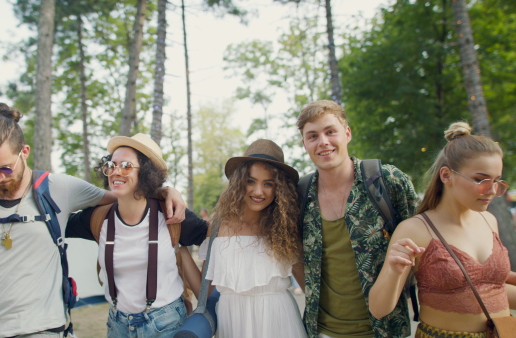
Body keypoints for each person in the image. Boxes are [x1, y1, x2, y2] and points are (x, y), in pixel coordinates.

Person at [0, 104, 185, 338]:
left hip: (45, 330)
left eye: (5, 168)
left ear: (24, 152)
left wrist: (165, 192)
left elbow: (124, 195)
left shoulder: (59, 188)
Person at [369, 122, 516, 337]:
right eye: (480, 179)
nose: (492, 190)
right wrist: (393, 270)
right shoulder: (415, 229)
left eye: (496, 181)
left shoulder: (489, 220)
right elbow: (378, 309)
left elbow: (489, 290)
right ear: (446, 175)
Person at [295, 100, 419, 337]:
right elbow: (295, 256)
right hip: (322, 331)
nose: (323, 142)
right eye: (313, 136)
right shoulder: (300, 193)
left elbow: (423, 249)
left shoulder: (387, 181)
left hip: (385, 329)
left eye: (330, 131)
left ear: (347, 133)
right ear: (304, 144)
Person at [66, 133, 208, 338]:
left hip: (167, 325)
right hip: (117, 326)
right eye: (111, 165)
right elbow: (56, 223)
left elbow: (216, 236)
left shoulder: (171, 215)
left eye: (125, 165)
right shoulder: (98, 219)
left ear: (146, 172)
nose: (116, 171)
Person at [197, 139, 307, 337]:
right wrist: (178, 251)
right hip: (231, 323)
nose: (258, 191)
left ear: (279, 189)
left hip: (278, 321)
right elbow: (203, 290)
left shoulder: (285, 230)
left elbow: (309, 287)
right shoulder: (218, 227)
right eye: (251, 181)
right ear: (239, 182)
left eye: (268, 184)